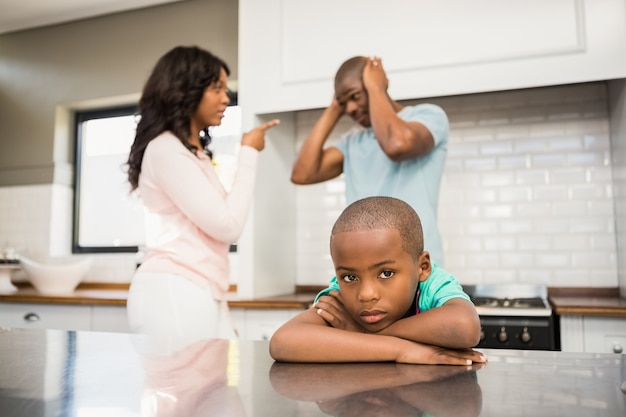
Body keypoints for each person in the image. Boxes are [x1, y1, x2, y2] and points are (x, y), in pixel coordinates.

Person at [125, 45, 279, 342]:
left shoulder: (191, 154)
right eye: (217, 88)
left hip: (195, 288)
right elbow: (228, 226)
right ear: (186, 91)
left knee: (211, 388)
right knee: (187, 388)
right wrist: (248, 152)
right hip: (174, 289)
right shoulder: (166, 149)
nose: (226, 97)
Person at [269, 196, 485, 365]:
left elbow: (465, 327)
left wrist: (363, 332)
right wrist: (402, 350)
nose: (366, 294)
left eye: (386, 273)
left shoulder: (433, 284)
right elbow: (283, 342)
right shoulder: (340, 295)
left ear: (422, 267)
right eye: (350, 277)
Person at [291, 55, 448, 266]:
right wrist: (333, 109)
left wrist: (376, 89)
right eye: (343, 103)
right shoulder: (352, 142)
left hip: (417, 267)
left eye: (355, 96)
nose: (350, 109)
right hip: (364, 269)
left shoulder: (428, 116)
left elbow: (397, 145)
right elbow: (302, 174)